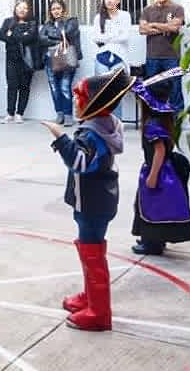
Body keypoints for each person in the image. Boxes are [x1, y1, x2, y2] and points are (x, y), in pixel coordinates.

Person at [43, 68, 133, 332]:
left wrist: (60, 137)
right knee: (89, 248)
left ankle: (99, 312)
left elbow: (80, 162)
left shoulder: (92, 133)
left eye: (79, 98)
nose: (75, 101)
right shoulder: (105, 125)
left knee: (92, 253)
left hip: (92, 202)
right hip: (98, 199)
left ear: (91, 105)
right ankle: (91, 296)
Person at [130, 69, 190, 257]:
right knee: (154, 205)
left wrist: (152, 176)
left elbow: (159, 151)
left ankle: (153, 244)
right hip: (165, 170)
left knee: (153, 205)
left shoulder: (153, 124)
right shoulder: (164, 119)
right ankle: (153, 239)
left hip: (157, 170)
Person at [139, 0, 185, 111]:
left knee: (175, 89)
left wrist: (153, 25)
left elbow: (175, 28)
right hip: (152, 57)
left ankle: (177, 124)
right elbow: (142, 30)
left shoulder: (177, 9)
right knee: (151, 90)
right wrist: (166, 27)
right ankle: (155, 122)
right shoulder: (148, 10)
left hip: (172, 56)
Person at [90, 0, 131, 119]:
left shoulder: (125, 15)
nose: (109, 0)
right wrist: (114, 36)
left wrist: (106, 37)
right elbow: (96, 38)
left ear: (118, 0)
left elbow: (125, 36)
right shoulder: (98, 17)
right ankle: (103, 122)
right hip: (102, 57)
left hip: (119, 58)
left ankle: (117, 122)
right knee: (101, 92)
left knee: (116, 91)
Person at [41, 0, 82, 126]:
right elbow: (41, 38)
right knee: (54, 88)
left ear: (63, 9)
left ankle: (68, 115)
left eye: (58, 8)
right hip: (50, 60)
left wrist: (51, 36)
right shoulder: (47, 24)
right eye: (53, 9)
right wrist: (56, 40)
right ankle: (59, 114)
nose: (56, 11)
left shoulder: (72, 21)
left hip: (67, 58)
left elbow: (68, 33)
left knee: (65, 87)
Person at [0, 0, 39, 124]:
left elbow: (31, 37)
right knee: (12, 86)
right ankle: (10, 113)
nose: (22, 10)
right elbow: (1, 36)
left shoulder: (32, 22)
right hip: (11, 59)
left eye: (25, 8)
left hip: (26, 59)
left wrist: (12, 35)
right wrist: (21, 36)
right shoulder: (8, 21)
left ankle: (20, 113)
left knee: (24, 87)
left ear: (29, 10)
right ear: (15, 9)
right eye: (19, 7)